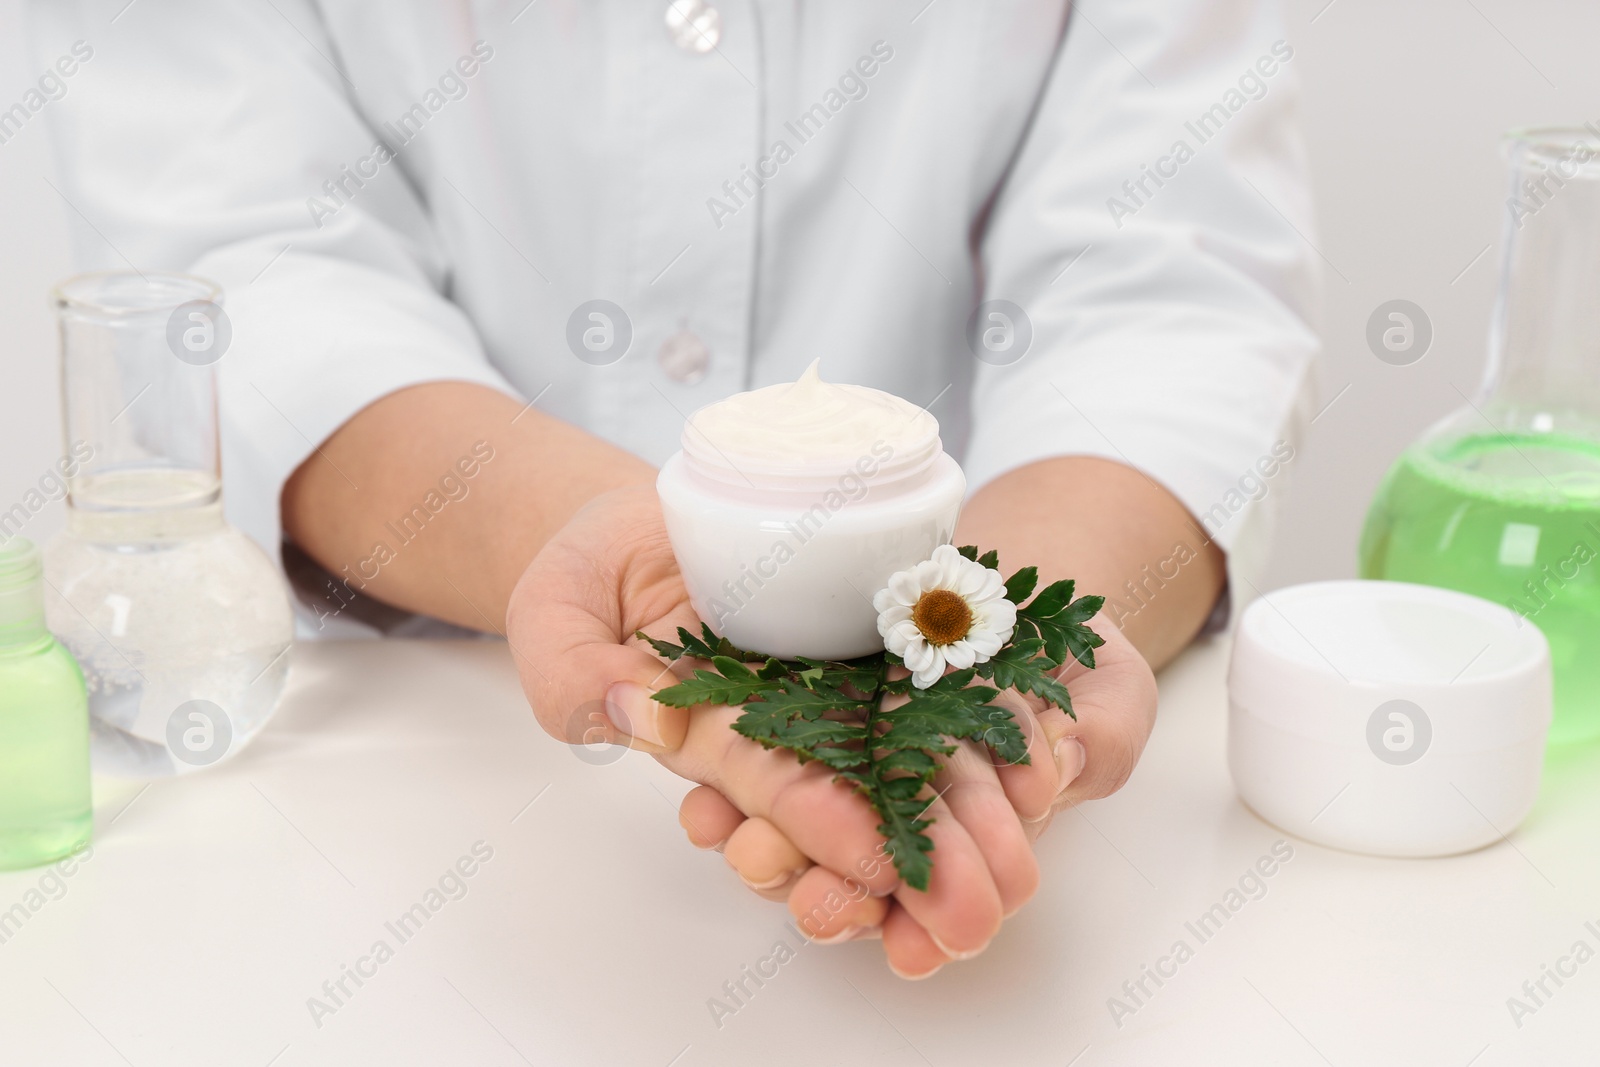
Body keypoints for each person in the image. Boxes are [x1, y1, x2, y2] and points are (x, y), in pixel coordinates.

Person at [33, 0, 1318, 978]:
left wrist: (1015, 632)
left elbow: (1169, 293)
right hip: (380, 803)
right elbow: (245, 263)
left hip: (1054, 865)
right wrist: (622, 558)